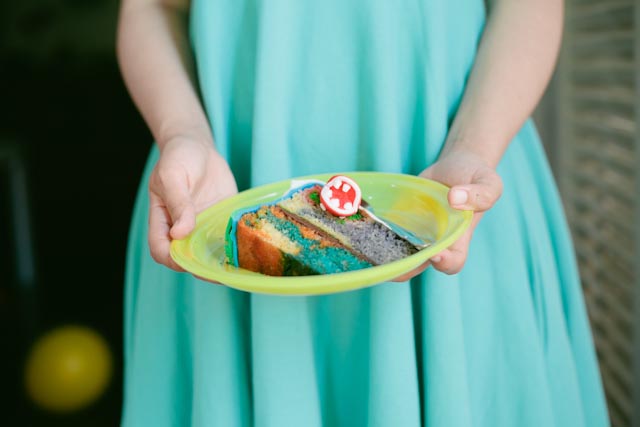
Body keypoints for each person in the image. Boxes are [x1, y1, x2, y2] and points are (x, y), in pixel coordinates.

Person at [116, 0, 609, 425]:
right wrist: (181, 132)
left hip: (461, 165)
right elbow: (149, 7)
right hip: (213, 191)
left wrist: (474, 147)